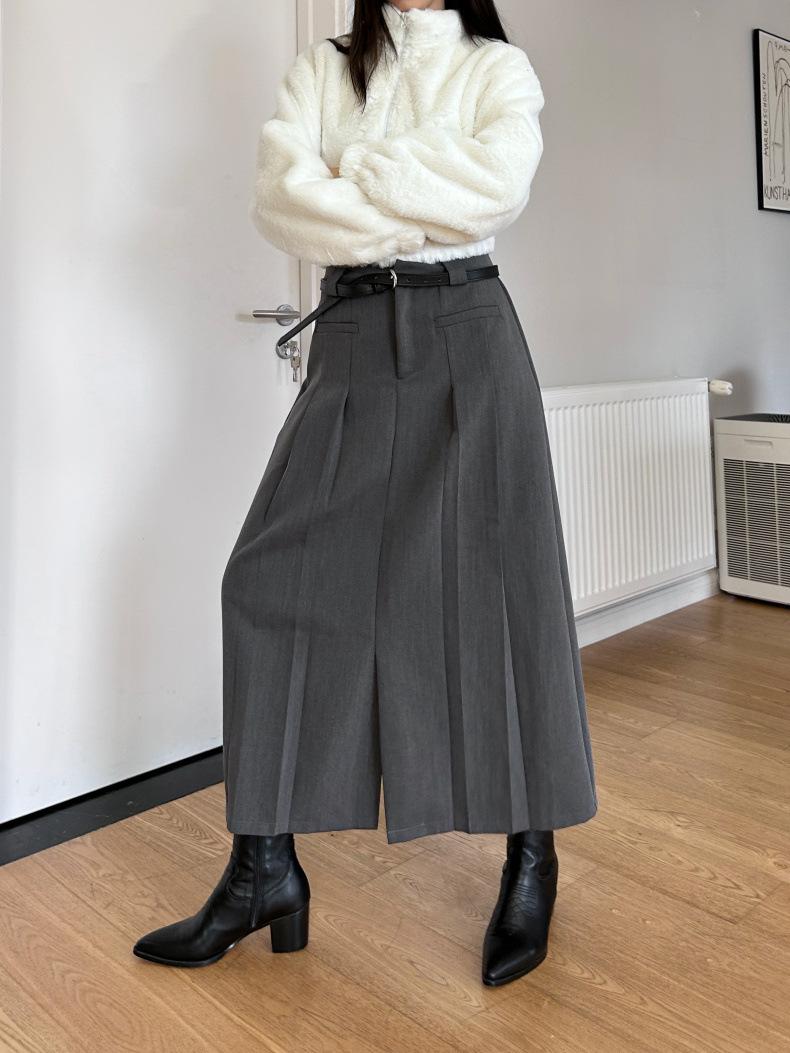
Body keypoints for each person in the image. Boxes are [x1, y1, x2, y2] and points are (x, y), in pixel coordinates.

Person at [132, 0, 597, 988]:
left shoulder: (497, 68)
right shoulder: (323, 69)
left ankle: (531, 857)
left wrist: (357, 171)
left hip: (470, 334)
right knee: (268, 584)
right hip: (349, 339)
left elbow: (495, 190)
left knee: (501, 592)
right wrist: (420, 191)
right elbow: (280, 201)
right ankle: (263, 869)